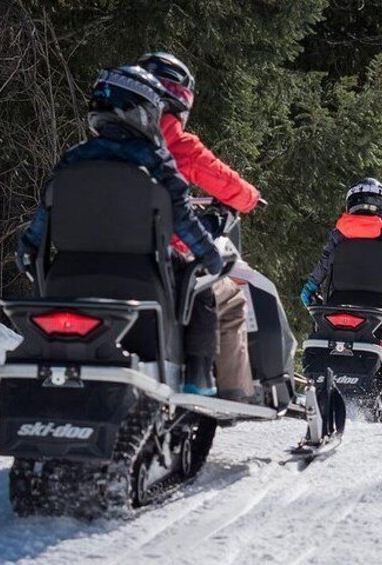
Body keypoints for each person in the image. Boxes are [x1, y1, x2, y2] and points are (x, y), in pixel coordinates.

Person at [15, 65, 222, 396]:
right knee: (202, 290)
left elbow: (43, 219)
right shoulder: (157, 160)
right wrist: (210, 257)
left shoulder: (72, 160)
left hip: (68, 277)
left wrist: (26, 251)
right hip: (142, 278)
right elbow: (181, 215)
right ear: (142, 111)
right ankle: (197, 376)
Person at [137, 52, 261, 404]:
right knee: (227, 295)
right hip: (165, 258)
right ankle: (223, 388)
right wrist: (251, 199)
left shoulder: (105, 146)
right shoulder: (176, 142)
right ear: (181, 98)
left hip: (103, 254)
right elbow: (226, 183)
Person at [300, 178, 382, 387]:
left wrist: (310, 287)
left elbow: (322, 265)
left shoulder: (337, 236)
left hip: (338, 303)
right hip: (381, 309)